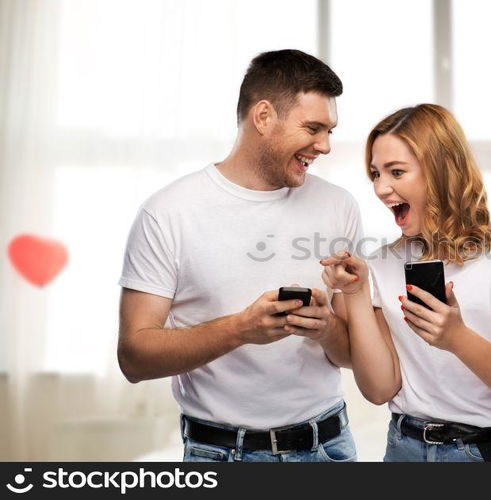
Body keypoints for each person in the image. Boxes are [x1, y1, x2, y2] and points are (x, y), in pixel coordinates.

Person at [117, 49, 361, 462]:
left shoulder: (339, 206)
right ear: (263, 117)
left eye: (330, 131)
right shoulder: (167, 213)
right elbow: (134, 358)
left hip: (328, 449)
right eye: (313, 128)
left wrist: (326, 327)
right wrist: (240, 329)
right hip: (220, 454)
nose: (324, 146)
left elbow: (356, 354)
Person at [320, 104, 491, 462]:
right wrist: (354, 293)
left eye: (396, 172)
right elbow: (380, 388)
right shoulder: (383, 263)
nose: (382, 189)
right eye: (375, 174)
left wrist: (456, 338)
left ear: (441, 170)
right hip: (404, 449)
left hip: (490, 453)